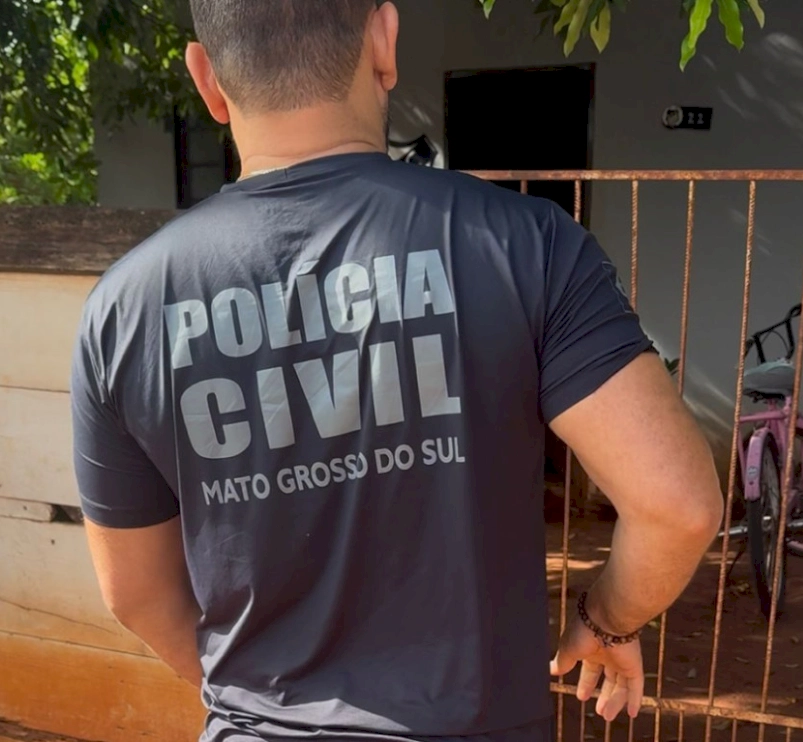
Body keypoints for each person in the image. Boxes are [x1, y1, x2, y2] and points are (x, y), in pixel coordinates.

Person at [70, 2, 724, 741]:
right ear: (384, 40)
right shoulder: (523, 244)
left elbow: (135, 593)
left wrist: (262, 710)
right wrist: (605, 621)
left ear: (207, 81)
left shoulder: (123, 311)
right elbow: (677, 505)